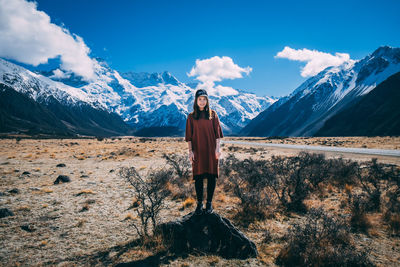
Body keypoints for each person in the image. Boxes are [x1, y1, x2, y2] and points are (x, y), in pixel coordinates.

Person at [185, 89, 224, 215]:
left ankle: (209, 204)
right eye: (199, 99)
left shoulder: (213, 114)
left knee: (212, 176)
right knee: (199, 177)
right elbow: (189, 137)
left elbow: (217, 135)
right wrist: (190, 152)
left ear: (207, 101)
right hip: (198, 151)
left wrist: (217, 149)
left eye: (204, 99)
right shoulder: (191, 117)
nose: (202, 102)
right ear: (196, 101)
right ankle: (199, 204)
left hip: (211, 150)